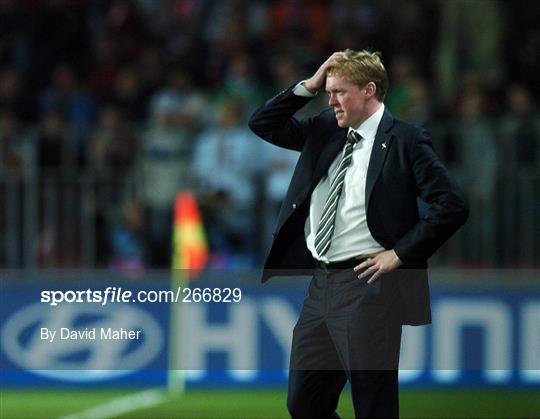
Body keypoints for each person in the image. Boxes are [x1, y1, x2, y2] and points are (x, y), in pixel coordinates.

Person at [249, 49, 468, 418]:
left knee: (373, 406)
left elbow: (452, 205)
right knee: (304, 403)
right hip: (320, 285)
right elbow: (263, 123)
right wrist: (310, 84)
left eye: (339, 91)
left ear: (369, 90)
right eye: (328, 92)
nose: (330, 100)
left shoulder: (406, 140)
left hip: (369, 286)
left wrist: (399, 254)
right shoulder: (324, 128)